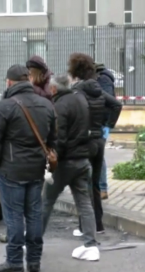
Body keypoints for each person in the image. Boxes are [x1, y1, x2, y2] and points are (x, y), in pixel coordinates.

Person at [0, 65, 57, 272]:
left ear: (9, 82)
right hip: (36, 169)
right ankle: (34, 261)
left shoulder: (5, 106)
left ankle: (15, 261)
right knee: (34, 214)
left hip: (10, 170)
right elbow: (53, 140)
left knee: (14, 216)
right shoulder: (46, 105)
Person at [41, 74, 100, 261]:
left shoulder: (59, 105)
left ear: (54, 89)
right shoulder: (80, 99)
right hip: (83, 160)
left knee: (46, 201)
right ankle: (91, 245)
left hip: (65, 163)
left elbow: (60, 138)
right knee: (84, 203)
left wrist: (53, 161)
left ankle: (34, 240)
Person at [67, 53, 122, 237]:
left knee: (83, 185)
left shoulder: (77, 91)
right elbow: (116, 105)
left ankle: (85, 227)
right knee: (95, 184)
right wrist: (107, 127)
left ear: (75, 71)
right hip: (99, 140)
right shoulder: (98, 89)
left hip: (85, 141)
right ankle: (98, 224)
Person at [95, 63, 116, 200]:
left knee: (99, 154)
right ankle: (100, 188)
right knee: (98, 154)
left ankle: (102, 188)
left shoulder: (103, 79)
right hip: (103, 124)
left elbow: (110, 102)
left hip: (103, 125)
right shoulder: (104, 78)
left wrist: (108, 124)